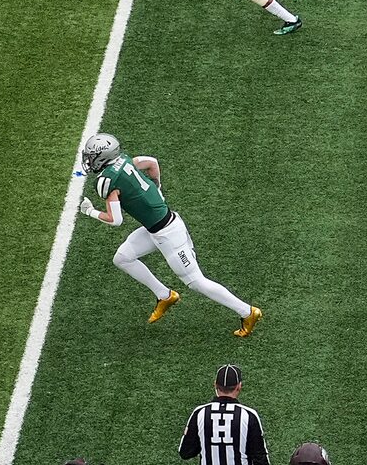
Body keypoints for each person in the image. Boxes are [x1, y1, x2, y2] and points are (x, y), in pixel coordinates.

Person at [77, 133, 262, 334]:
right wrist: (157, 188)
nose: (89, 160)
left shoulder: (107, 180)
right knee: (122, 258)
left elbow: (116, 220)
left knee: (196, 282)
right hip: (157, 228)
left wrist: (90, 211)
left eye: (92, 156)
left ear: (102, 157)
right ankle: (164, 296)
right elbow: (152, 163)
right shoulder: (125, 160)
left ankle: (248, 312)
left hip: (168, 235)